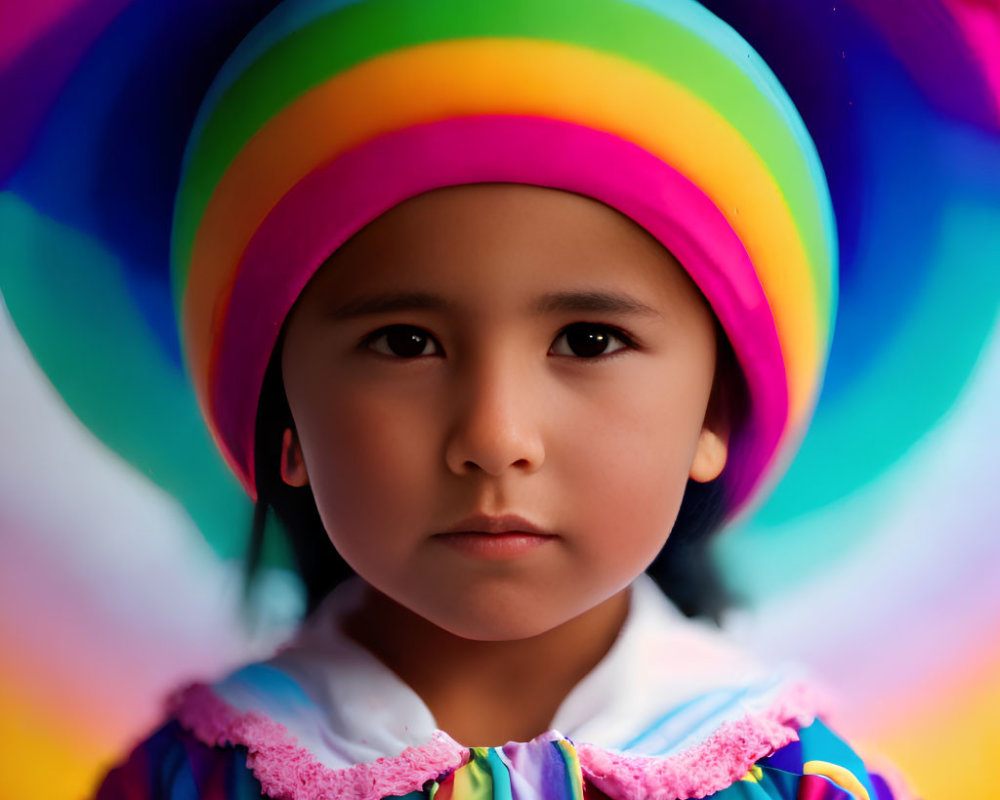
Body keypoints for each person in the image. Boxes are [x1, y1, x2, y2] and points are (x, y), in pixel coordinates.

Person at [11, 0, 949, 798]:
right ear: (283, 419)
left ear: (716, 418)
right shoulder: (190, 780)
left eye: (589, 341)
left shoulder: (807, 780)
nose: (494, 438)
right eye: (406, 342)